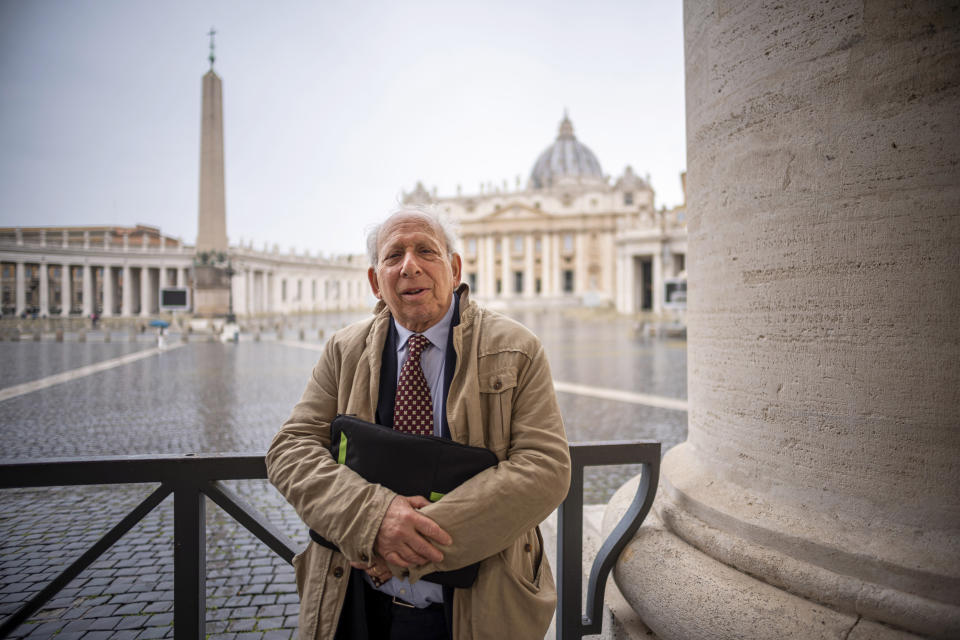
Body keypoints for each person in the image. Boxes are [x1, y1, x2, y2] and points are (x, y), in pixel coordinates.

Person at [267, 206, 571, 640]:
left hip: (478, 606)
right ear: (376, 280)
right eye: (394, 256)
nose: (410, 266)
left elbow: (544, 468)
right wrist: (373, 518)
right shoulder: (342, 350)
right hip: (353, 602)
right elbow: (290, 448)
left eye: (425, 250)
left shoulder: (517, 348)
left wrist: (403, 544)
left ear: (454, 268)